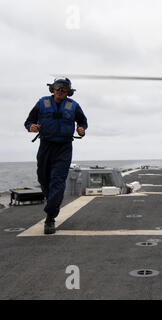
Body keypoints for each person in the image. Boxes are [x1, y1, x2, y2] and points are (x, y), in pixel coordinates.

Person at [24, 78, 88, 234]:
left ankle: (50, 216)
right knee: (43, 178)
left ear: (68, 92)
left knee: (58, 180)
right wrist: (31, 127)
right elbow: (29, 121)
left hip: (64, 147)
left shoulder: (73, 106)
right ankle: (51, 202)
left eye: (64, 89)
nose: (61, 91)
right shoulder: (42, 103)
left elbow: (83, 121)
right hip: (46, 145)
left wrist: (81, 128)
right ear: (52, 89)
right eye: (58, 88)